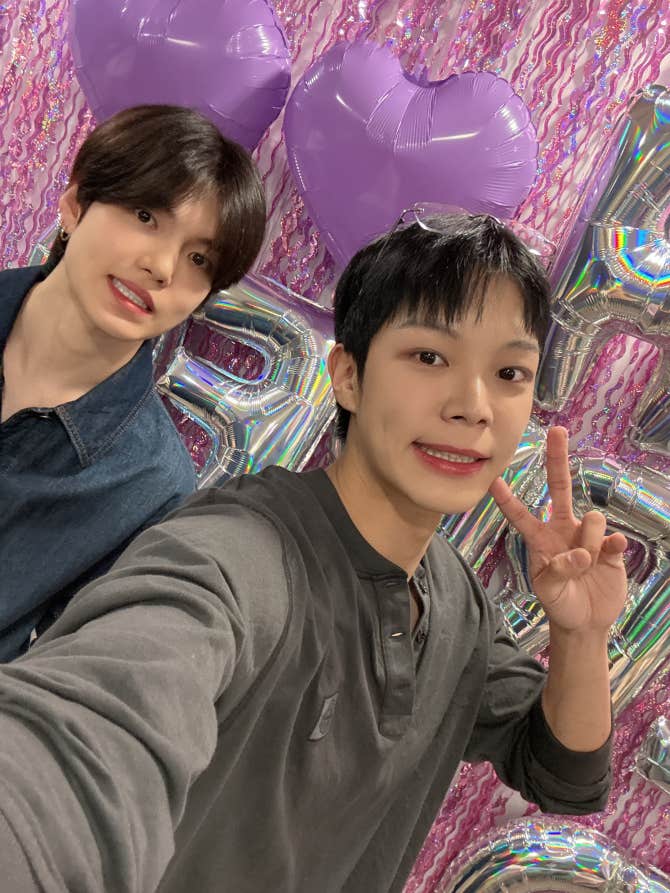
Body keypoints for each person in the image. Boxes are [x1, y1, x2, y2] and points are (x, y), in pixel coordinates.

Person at [0, 212, 627, 892]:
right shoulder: (235, 557)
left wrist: (581, 635)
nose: (474, 406)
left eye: (509, 371)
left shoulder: (457, 601)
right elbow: (92, 732)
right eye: (429, 357)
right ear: (349, 376)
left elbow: (565, 774)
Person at [0, 104, 266, 660]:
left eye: (199, 259)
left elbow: (64, 670)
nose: (163, 268)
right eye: (146, 216)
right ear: (75, 204)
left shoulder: (151, 483)